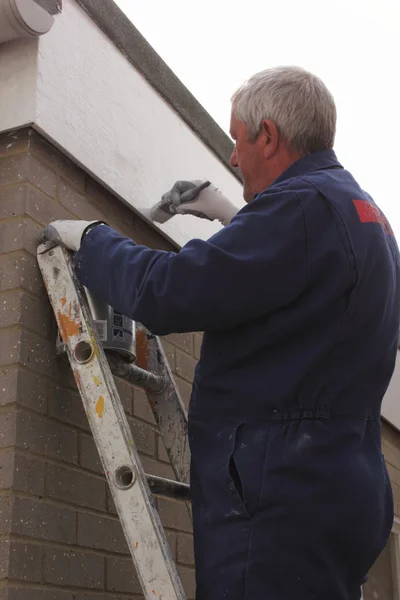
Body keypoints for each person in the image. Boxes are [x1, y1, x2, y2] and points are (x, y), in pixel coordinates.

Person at [44, 66, 400, 600]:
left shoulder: (301, 207)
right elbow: (301, 292)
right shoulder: (362, 214)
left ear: (269, 137)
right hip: (336, 484)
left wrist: (95, 240)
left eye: (237, 140)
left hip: (278, 493)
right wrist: (235, 217)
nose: (233, 158)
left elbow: (170, 291)